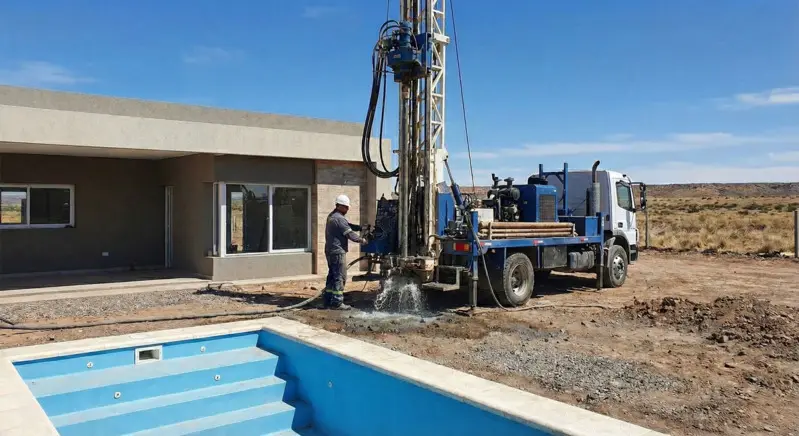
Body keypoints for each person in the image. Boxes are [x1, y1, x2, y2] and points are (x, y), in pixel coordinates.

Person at [323, 194, 368, 309]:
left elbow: (346, 225)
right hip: (338, 251)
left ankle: (328, 298)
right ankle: (337, 302)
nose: (347, 209)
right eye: (346, 207)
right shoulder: (339, 218)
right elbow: (349, 234)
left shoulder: (332, 216)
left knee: (332, 275)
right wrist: (362, 240)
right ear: (340, 206)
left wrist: (360, 227)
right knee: (340, 276)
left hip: (330, 250)